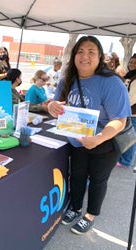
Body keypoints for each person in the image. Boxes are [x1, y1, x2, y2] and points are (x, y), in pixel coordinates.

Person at [48, 35, 131, 235]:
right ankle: (75, 208)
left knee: (97, 179)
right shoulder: (68, 78)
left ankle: (90, 216)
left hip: (105, 142)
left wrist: (99, 138)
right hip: (77, 141)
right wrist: (50, 105)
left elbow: (120, 120)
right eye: (80, 51)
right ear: (74, 55)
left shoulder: (111, 82)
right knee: (76, 176)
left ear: (100, 57)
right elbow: (55, 102)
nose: (85, 56)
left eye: (91, 52)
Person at [117, 53, 136, 169]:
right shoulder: (129, 76)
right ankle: (124, 159)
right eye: (131, 62)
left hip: (132, 113)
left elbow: (131, 98)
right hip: (128, 111)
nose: (132, 64)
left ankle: (126, 161)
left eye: (135, 63)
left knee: (130, 137)